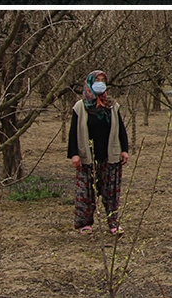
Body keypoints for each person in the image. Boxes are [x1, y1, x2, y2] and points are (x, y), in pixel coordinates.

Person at [68, 70, 130, 235]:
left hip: (110, 156)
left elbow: (120, 130)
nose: (100, 83)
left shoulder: (112, 106)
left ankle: (113, 223)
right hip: (87, 158)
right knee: (86, 192)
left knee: (111, 193)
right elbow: (73, 132)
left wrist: (124, 150)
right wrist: (74, 154)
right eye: (97, 80)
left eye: (103, 80)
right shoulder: (80, 107)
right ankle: (85, 224)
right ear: (89, 83)